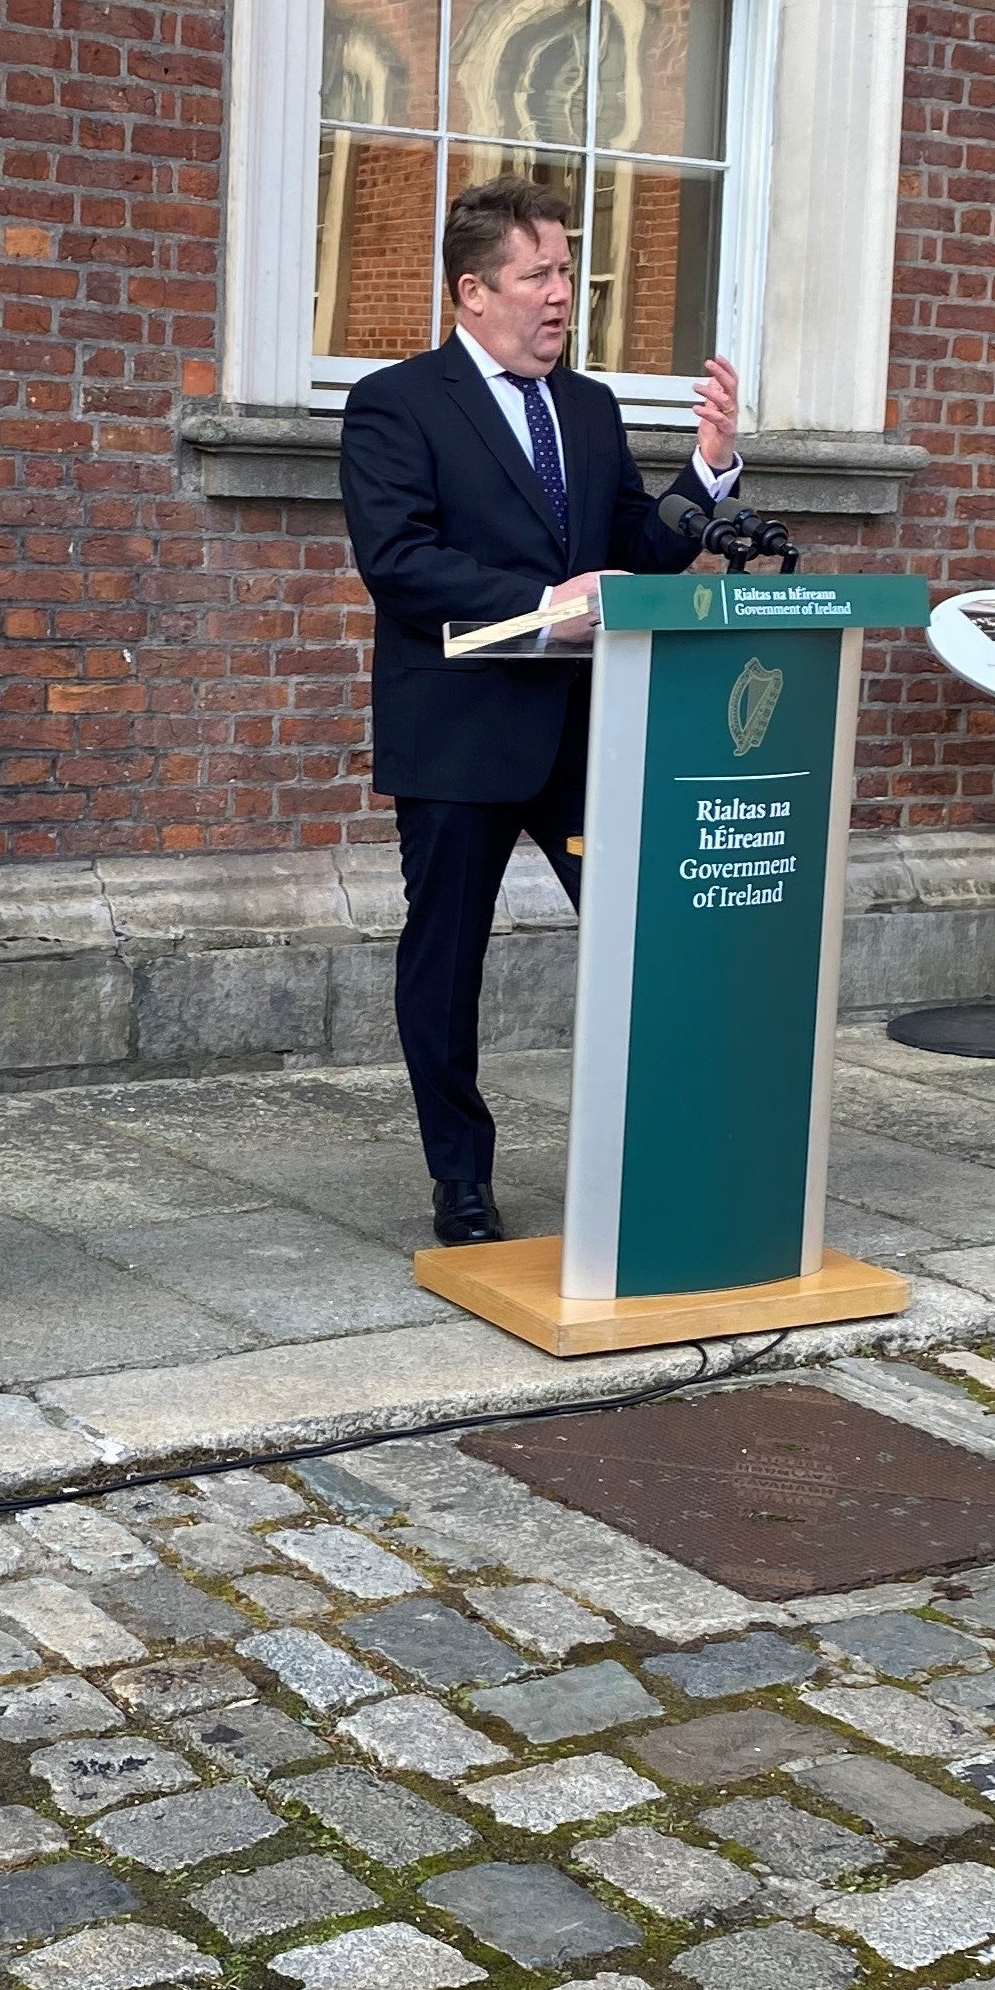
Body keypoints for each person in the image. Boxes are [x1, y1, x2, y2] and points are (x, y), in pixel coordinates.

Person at [339, 174, 743, 1247]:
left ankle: (659, 1147)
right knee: (447, 961)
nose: (562, 293)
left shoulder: (590, 406)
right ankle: (461, 1177)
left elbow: (639, 551)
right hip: (462, 727)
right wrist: (537, 609)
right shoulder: (398, 403)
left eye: (566, 271)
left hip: (585, 734)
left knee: (645, 936)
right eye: (539, 274)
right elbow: (398, 562)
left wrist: (705, 475)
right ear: (474, 291)